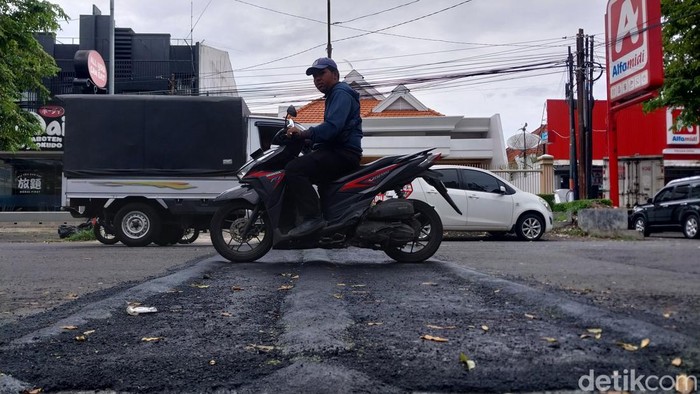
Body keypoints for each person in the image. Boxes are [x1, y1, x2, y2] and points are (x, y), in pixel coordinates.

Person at [284, 57, 363, 237]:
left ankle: (313, 219)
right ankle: (331, 223)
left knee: (294, 169)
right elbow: (333, 131)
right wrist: (310, 141)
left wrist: (305, 134)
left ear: (335, 75)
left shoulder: (341, 93)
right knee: (319, 178)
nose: (317, 79)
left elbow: (332, 127)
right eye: (314, 76)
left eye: (321, 74)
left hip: (343, 153)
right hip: (339, 151)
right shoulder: (334, 94)